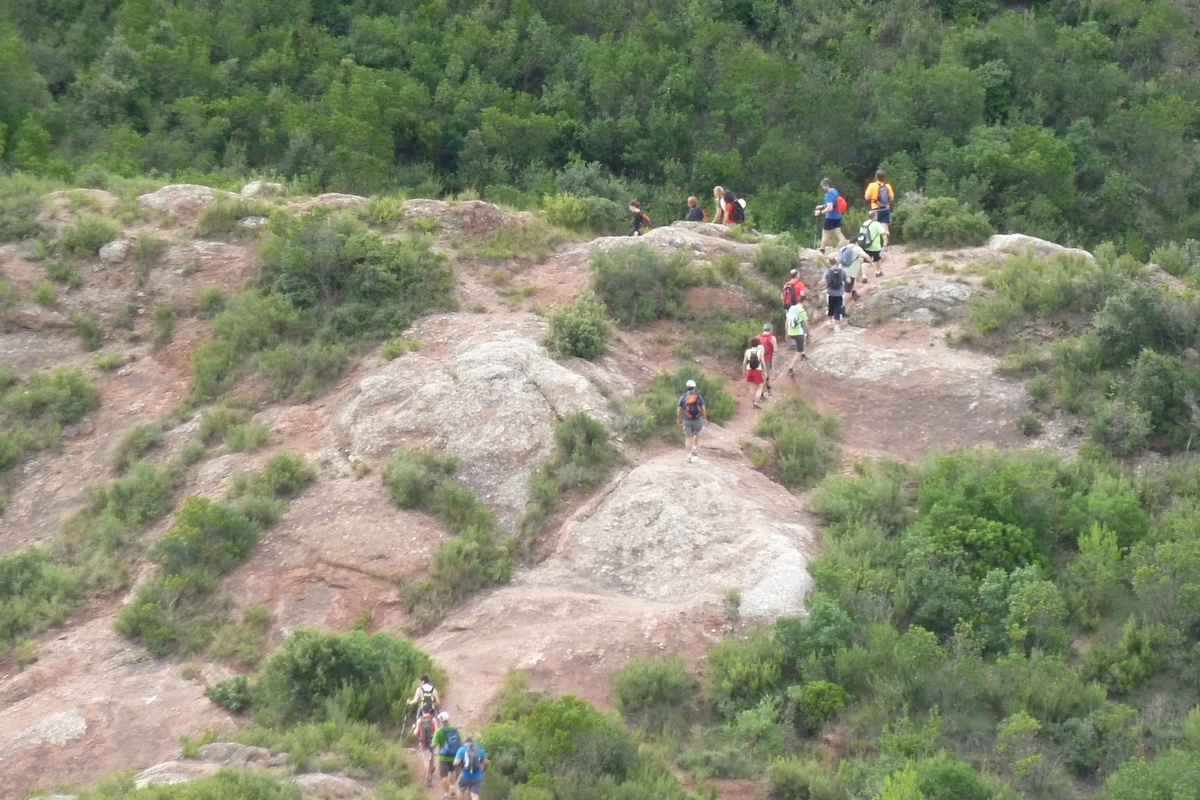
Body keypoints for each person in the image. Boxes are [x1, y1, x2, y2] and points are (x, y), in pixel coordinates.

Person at [676, 379, 708, 463]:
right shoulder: (698, 396)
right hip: (697, 419)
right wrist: (705, 418)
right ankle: (694, 448)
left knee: (688, 438)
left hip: (686, 420)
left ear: (687, 387)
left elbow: (679, 410)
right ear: (694, 387)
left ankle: (688, 456)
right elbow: (703, 408)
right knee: (696, 433)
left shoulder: (683, 397)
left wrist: (678, 419)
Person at [432, 711, 461, 799]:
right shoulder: (454, 729)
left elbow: (434, 745)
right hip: (454, 755)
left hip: (443, 757)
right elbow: (460, 741)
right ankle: (452, 787)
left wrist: (430, 747)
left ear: (441, 720)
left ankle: (446, 793)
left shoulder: (439, 731)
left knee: (444, 775)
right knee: (453, 771)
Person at [814, 178, 846, 253]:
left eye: (823, 186)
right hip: (838, 215)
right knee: (838, 232)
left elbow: (830, 208)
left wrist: (820, 212)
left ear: (827, 185)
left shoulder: (828, 195)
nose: (822, 188)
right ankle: (846, 247)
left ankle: (822, 249)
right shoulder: (835, 192)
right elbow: (834, 204)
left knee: (825, 233)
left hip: (830, 217)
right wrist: (822, 206)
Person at [864, 170, 895, 247]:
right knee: (885, 227)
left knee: (874, 227)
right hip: (885, 208)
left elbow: (867, 197)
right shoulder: (887, 186)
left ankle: (875, 244)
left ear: (876, 176)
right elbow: (892, 198)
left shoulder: (871, 185)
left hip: (875, 209)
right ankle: (885, 245)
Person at [454, 735, 488, 800]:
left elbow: (456, 763)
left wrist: (457, 766)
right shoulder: (480, 750)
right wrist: (483, 770)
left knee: (460, 790)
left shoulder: (461, 749)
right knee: (474, 795)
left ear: (464, 742)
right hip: (477, 776)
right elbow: (486, 762)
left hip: (465, 775)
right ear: (473, 742)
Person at [819, 260, 849, 333]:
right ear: (837, 263)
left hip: (830, 293)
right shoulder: (843, 271)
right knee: (838, 309)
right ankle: (837, 326)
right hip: (840, 294)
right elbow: (848, 281)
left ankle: (830, 321)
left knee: (830, 308)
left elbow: (823, 282)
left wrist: (820, 283)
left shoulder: (827, 272)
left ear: (830, 264)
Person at [413, 708, 439, 786]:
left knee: (426, 760)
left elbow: (415, 733)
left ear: (422, 712)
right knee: (432, 755)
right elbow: (437, 731)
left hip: (423, 742)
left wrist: (414, 727)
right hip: (432, 741)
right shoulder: (433, 719)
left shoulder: (419, 720)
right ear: (430, 711)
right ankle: (432, 768)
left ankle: (428, 777)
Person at [785, 299, 809, 376]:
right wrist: (808, 333)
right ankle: (790, 369)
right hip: (798, 333)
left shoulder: (791, 309)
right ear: (804, 301)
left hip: (790, 332)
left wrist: (787, 333)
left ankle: (803, 355)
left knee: (804, 337)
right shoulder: (802, 311)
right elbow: (806, 324)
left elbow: (786, 322)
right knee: (798, 352)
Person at [857, 210, 885, 277]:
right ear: (875, 216)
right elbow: (882, 232)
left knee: (865, 261)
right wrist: (887, 232)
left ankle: (864, 275)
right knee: (877, 259)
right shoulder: (876, 224)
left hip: (866, 245)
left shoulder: (865, 223)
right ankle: (877, 272)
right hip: (875, 245)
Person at [743, 335, 766, 409]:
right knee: (760, 385)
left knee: (751, 387)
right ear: (758, 344)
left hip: (749, 370)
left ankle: (751, 403)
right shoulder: (760, 351)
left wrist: (744, 371)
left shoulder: (747, 351)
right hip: (758, 370)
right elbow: (763, 362)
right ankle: (756, 401)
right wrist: (765, 371)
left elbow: (744, 362)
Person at [756, 323, 778, 399]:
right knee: (765, 376)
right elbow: (775, 350)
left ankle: (769, 389)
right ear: (771, 330)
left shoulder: (757, 337)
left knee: (764, 375)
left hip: (757, 359)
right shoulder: (772, 338)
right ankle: (761, 395)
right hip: (767, 360)